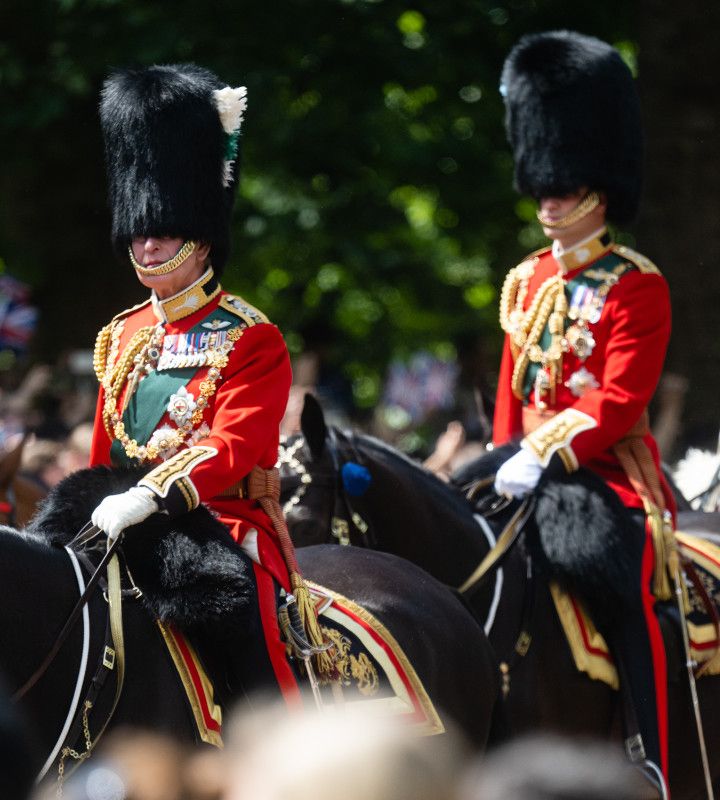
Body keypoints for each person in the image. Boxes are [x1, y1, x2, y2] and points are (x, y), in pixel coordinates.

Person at [491, 31, 675, 792]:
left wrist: (547, 451)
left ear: (599, 185)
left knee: (632, 594)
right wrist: (504, 459)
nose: (550, 198)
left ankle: (655, 749)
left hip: (606, 476)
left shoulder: (635, 284)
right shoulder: (526, 278)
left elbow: (620, 397)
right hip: (521, 473)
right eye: (544, 185)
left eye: (563, 186)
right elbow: (510, 391)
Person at [88, 64, 306, 704]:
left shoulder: (251, 336)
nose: (148, 245)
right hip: (122, 522)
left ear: (202, 237)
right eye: (140, 231)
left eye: (164, 230)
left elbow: (233, 444)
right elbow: (107, 452)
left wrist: (153, 493)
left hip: (218, 522)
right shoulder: (122, 335)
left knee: (247, 650)